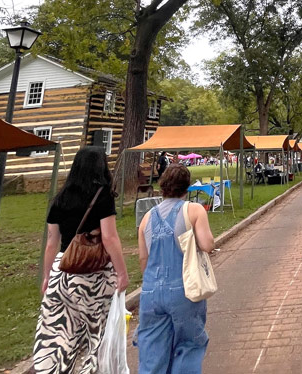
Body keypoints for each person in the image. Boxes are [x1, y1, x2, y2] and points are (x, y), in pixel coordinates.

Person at [34, 147, 129, 374]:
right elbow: (109, 237)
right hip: (93, 277)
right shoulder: (102, 196)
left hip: (62, 272)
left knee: (59, 335)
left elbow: (51, 242)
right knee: (96, 336)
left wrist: (47, 276)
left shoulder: (60, 198)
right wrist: (122, 273)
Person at [136, 163, 214, 374]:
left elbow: (143, 258)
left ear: (163, 186)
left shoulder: (146, 218)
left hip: (151, 290)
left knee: (152, 349)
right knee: (188, 344)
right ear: (186, 186)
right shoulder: (193, 210)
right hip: (183, 287)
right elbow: (207, 244)